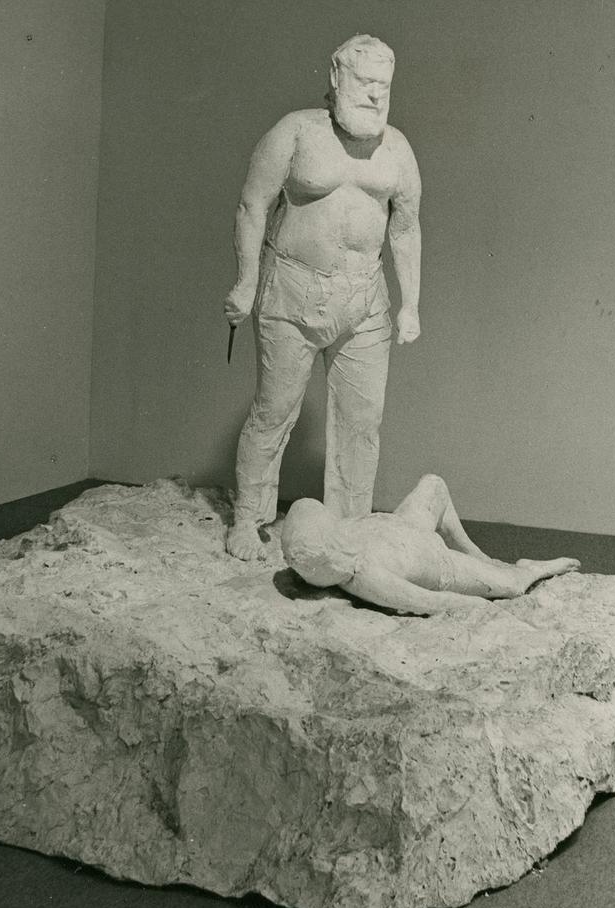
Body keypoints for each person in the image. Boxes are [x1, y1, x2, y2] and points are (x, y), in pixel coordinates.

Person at [225, 34, 422, 561]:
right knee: (275, 411)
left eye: (384, 86)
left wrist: (411, 303)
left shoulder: (397, 149)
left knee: (362, 420)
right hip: (293, 293)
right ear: (336, 78)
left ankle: (348, 527)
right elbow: (252, 205)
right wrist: (245, 281)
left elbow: (406, 227)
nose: (376, 95)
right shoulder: (296, 132)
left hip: (366, 300)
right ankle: (248, 517)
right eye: (366, 83)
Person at [281, 474, 581, 616]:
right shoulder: (365, 575)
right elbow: (429, 601)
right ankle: (529, 569)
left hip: (406, 527)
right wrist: (487, 611)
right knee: (512, 585)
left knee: (435, 485)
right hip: (440, 564)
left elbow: (308, 513)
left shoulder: (343, 532)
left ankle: (477, 554)